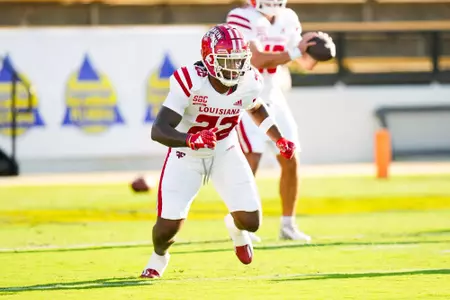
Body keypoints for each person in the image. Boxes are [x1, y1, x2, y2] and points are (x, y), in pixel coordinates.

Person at [140, 24, 298, 279]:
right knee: (167, 229)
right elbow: (159, 130)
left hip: (225, 150)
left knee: (251, 221)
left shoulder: (249, 81)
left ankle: (236, 231)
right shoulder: (190, 80)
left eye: (239, 61)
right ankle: (158, 258)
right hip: (186, 155)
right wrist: (191, 139)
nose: (235, 69)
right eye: (229, 61)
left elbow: (255, 108)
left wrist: (278, 138)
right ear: (211, 60)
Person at [226, 0, 333, 242]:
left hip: (274, 94)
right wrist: (296, 50)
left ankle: (288, 224)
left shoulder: (288, 18)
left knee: (291, 156)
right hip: (248, 95)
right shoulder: (241, 16)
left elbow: (305, 63)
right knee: (250, 160)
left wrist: (318, 48)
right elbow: (256, 60)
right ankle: (240, 225)